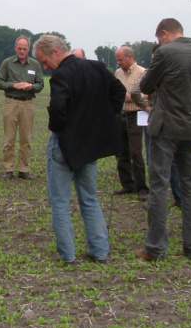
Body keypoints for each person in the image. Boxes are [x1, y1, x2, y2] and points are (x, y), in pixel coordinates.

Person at [33, 35, 125, 264]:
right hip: (90, 143)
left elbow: (57, 109)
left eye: (44, 62)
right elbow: (119, 91)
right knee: (90, 198)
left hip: (64, 144)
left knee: (60, 202)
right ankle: (100, 251)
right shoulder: (96, 67)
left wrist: (58, 127)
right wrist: (105, 119)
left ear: (55, 52)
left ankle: (68, 255)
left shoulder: (61, 75)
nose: (45, 68)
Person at [136, 18, 191, 261]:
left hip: (166, 126)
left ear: (165, 33)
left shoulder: (165, 52)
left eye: (159, 38)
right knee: (190, 184)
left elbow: (146, 86)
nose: (159, 42)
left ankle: (155, 248)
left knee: (159, 185)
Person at [0, 36, 44, 179]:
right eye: (19, 48)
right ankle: (8, 169)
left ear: (28, 49)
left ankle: (24, 169)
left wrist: (31, 86)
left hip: (28, 103)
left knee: (26, 139)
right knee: (9, 138)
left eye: (25, 48)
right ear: (15, 48)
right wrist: (13, 85)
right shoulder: (7, 63)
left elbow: (41, 85)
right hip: (11, 102)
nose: (22, 51)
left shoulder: (35, 65)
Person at [114, 46, 149, 197]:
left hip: (137, 114)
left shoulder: (143, 72)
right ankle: (127, 184)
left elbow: (147, 94)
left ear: (129, 57)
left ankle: (142, 188)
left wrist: (130, 97)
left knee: (135, 152)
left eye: (120, 59)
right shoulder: (117, 73)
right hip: (121, 114)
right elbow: (115, 91)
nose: (118, 62)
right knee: (121, 151)